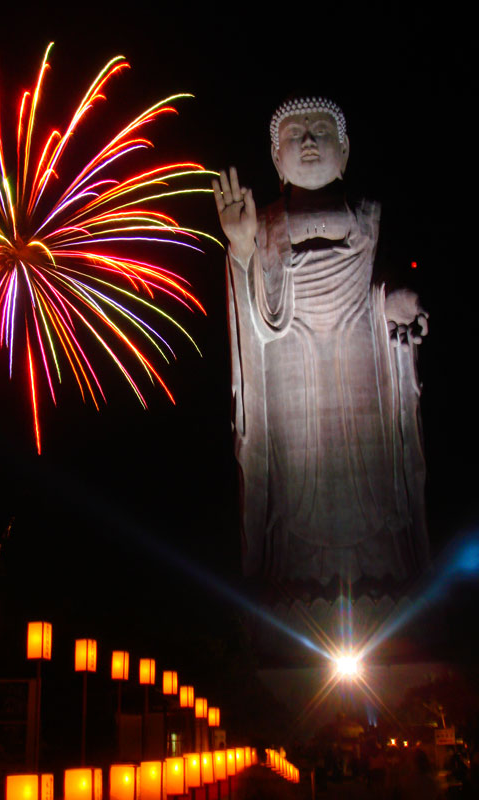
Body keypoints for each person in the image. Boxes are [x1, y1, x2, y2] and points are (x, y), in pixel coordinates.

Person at [213, 97, 429, 597]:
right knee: (295, 492)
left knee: (376, 488)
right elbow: (260, 328)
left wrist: (395, 303)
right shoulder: (262, 225)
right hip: (292, 391)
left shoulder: (368, 219)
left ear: (345, 151)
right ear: (275, 159)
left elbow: (381, 292)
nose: (309, 142)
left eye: (320, 131)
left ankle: (391, 584)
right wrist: (243, 246)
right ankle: (295, 585)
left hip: (362, 379)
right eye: (296, 134)